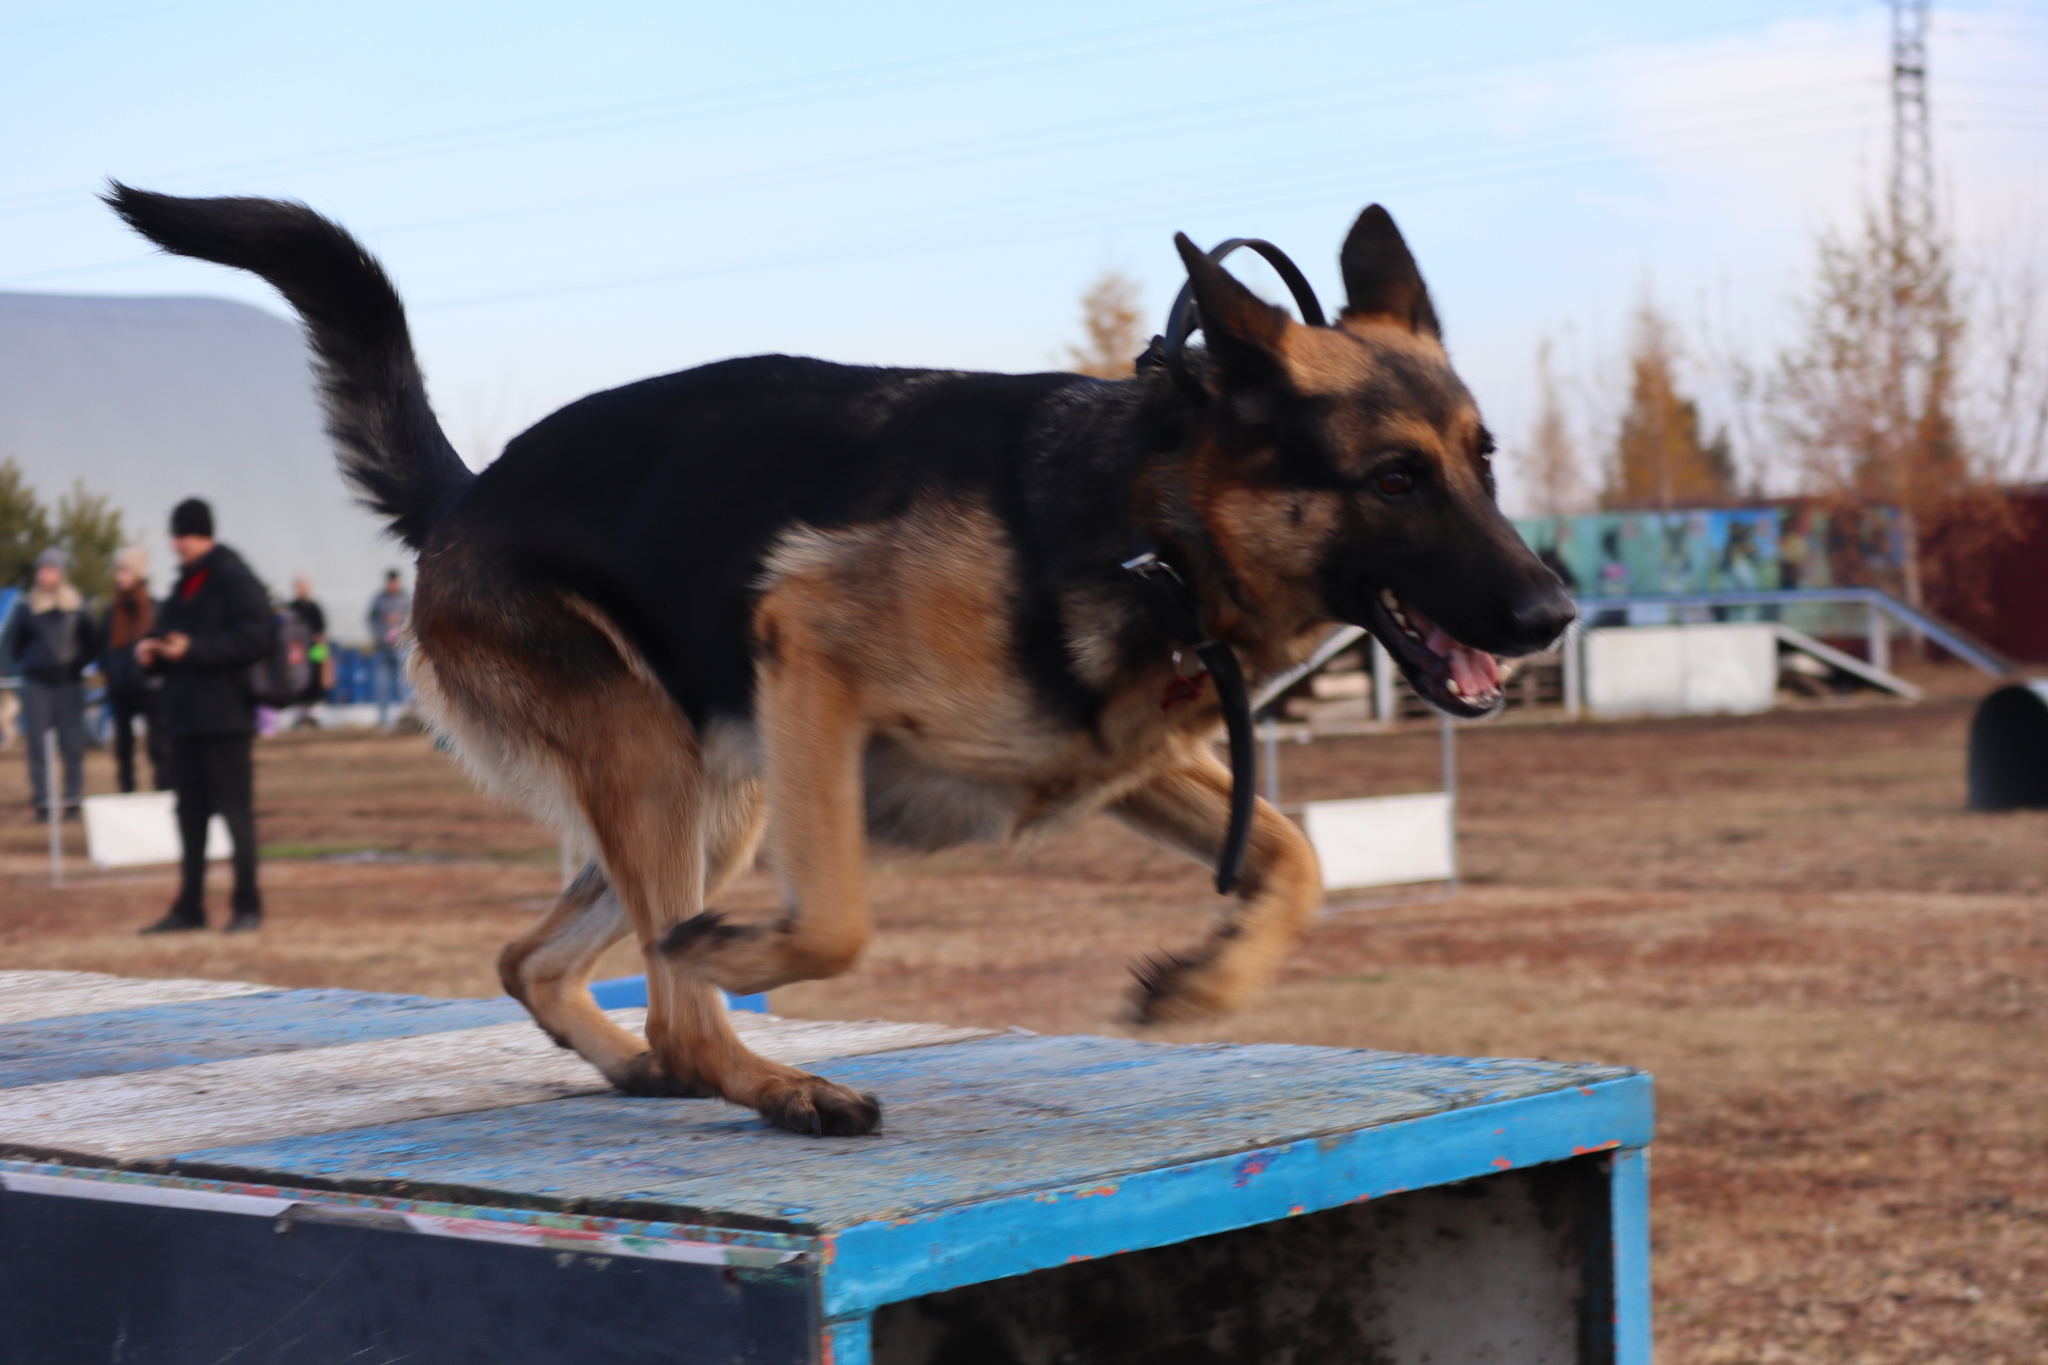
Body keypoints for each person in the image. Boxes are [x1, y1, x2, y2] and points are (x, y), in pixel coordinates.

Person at [136, 499, 274, 934]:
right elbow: (173, 639)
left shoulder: (232, 578)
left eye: (180, 536)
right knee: (190, 818)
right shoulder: (183, 585)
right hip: (185, 718)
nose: (175, 546)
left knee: (236, 815)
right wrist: (153, 654)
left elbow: (256, 637)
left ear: (199, 534)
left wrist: (194, 649)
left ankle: (247, 906)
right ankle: (189, 908)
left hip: (225, 718)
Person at [7, 547, 98, 821]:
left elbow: (92, 642)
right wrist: (20, 676)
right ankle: (43, 803)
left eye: (50, 568)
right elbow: (9, 646)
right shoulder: (26, 607)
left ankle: (73, 801)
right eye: (41, 569)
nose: (45, 574)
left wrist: (77, 665)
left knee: (72, 745)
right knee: (37, 746)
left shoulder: (77, 606)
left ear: (61, 572)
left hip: (69, 685)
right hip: (37, 686)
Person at [100, 546, 168, 792]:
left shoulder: (156, 607)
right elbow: (103, 645)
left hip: (151, 688)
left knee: (159, 747)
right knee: (124, 750)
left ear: (138, 573)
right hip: (120, 688)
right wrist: (111, 672)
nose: (120, 577)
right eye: (118, 571)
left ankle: (164, 793)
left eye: (126, 571)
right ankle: (127, 794)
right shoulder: (112, 611)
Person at [366, 568, 411, 728]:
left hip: (402, 648)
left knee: (405, 685)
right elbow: (371, 620)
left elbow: (412, 621)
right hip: (382, 649)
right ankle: (384, 720)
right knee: (382, 686)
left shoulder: (406, 599)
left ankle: (408, 716)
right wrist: (379, 635)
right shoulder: (379, 600)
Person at [285, 575, 332, 728]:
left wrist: (324, 654)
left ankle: (314, 714)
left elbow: (321, 632)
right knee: (298, 678)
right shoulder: (291, 608)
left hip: (315, 648)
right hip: (298, 649)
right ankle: (300, 713)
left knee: (316, 677)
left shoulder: (315, 608)